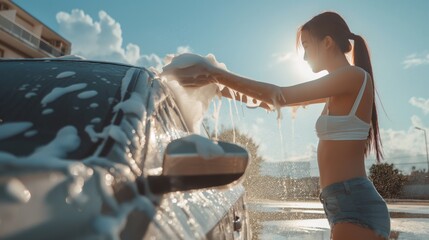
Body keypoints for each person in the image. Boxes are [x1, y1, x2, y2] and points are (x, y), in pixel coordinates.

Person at [162, 11, 390, 240]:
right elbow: (270, 103)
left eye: (307, 46)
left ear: (328, 42)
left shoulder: (354, 77)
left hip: (354, 205)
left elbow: (279, 95)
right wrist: (216, 87)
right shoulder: (337, 86)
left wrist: (215, 74)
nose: (304, 57)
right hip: (344, 203)